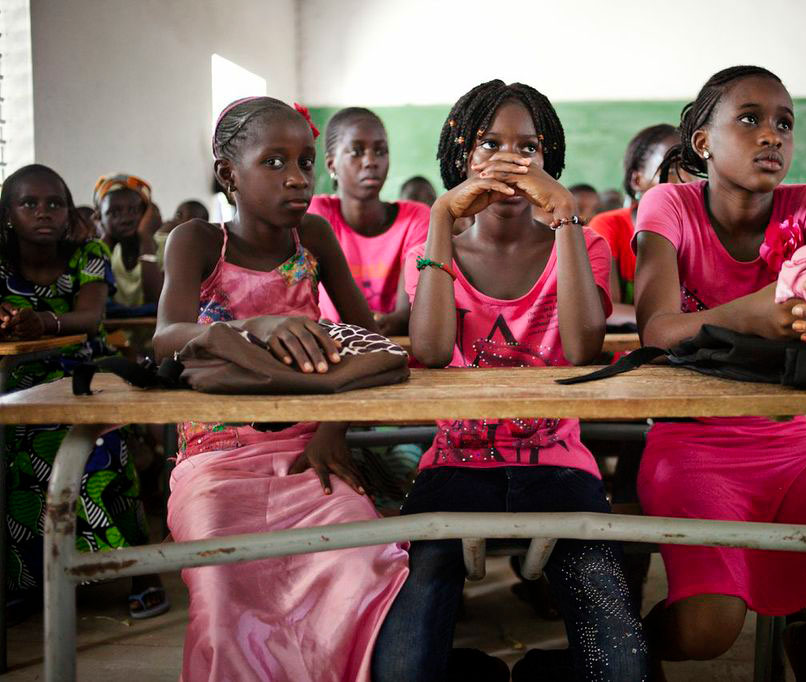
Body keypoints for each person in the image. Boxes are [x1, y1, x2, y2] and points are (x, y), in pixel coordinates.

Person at [632, 66, 806, 681]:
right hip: (690, 443)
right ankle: (627, 649)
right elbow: (656, 329)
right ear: (703, 142)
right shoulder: (669, 204)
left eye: (784, 123)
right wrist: (753, 314)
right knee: (707, 629)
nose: (772, 137)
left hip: (788, 441)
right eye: (750, 119)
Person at [371, 80, 649, 682]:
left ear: (549, 160)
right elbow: (431, 349)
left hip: (561, 467)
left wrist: (567, 217)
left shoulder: (584, 244)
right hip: (452, 468)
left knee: (623, 670)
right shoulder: (434, 250)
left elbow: (580, 348)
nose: (510, 160)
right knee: (400, 668)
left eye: (529, 146)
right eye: (489, 144)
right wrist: (443, 217)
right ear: (459, 160)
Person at [154, 96, 408, 681]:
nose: (297, 178)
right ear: (228, 174)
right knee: (224, 593)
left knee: (361, 564)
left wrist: (333, 433)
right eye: (274, 162)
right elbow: (166, 339)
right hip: (215, 460)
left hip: (307, 448)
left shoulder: (313, 237)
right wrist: (252, 325)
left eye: (305, 161)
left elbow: (366, 343)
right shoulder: (196, 242)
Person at [0, 164, 167, 621]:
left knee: (98, 444)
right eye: (29, 203)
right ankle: (33, 577)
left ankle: (141, 571)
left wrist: (43, 323)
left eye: (54, 203)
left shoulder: (87, 252)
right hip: (14, 380)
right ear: (9, 214)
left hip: (82, 373)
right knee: (13, 449)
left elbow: (90, 318)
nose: (43, 213)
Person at [308, 107, 429, 335]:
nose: (371, 161)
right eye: (356, 151)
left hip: (397, 349)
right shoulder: (316, 213)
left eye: (380, 151)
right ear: (331, 164)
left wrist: (373, 327)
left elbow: (406, 316)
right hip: (333, 350)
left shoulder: (416, 218)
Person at [589, 124, 686, 329]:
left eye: (690, 168)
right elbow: (606, 310)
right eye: (669, 169)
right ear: (637, 180)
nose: (684, 181)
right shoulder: (610, 226)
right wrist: (667, 323)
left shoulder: (702, 230)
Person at [94, 174, 163, 315]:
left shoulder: (169, 247)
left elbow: (159, 304)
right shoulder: (101, 253)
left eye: (133, 210)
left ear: (149, 214)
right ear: (99, 219)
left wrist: (146, 238)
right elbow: (95, 307)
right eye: (114, 213)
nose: (125, 219)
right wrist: (104, 240)